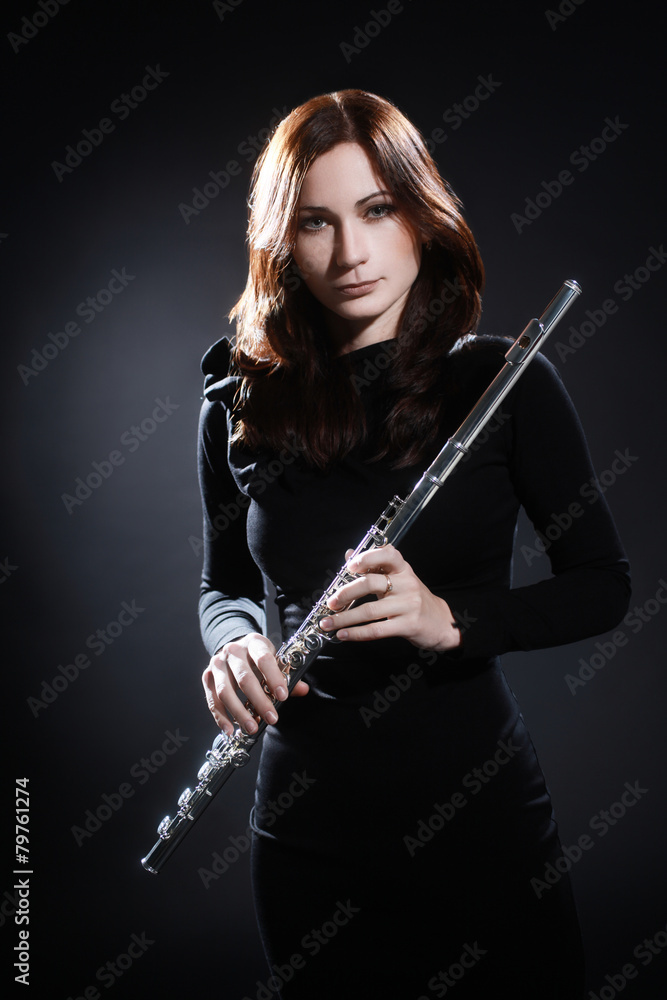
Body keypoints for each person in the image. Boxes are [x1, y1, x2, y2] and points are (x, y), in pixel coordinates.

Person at [199, 89, 630, 998]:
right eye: (315, 223)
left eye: (375, 211)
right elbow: (225, 583)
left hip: (479, 818)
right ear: (282, 240)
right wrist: (233, 641)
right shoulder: (239, 400)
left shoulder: (502, 380)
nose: (350, 254)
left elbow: (604, 584)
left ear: (418, 213)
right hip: (306, 831)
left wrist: (450, 620)